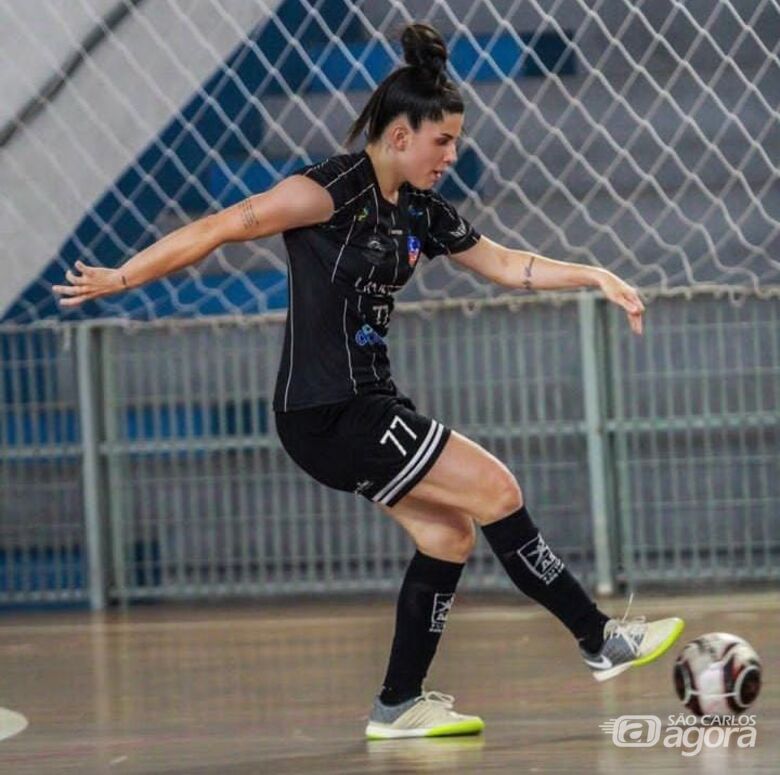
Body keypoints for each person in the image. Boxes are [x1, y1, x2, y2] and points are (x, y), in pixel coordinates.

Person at [54, 22, 684, 741]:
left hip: (366, 406)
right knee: (498, 490)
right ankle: (599, 637)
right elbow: (221, 227)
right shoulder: (330, 190)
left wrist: (596, 275)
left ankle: (398, 702)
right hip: (326, 410)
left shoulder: (421, 209)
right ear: (398, 134)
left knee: (448, 534)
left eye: (456, 140)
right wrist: (123, 276)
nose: (452, 154)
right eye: (442, 140)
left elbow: (509, 263)